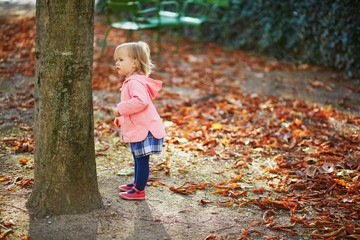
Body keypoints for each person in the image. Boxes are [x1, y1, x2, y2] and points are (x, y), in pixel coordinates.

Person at [113, 41, 166, 200]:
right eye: (116, 60)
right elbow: (134, 106)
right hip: (140, 128)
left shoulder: (135, 82)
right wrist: (121, 118)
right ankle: (137, 183)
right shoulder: (134, 80)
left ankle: (139, 191)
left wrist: (120, 109)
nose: (117, 63)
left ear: (135, 63)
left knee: (142, 161)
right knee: (137, 158)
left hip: (145, 130)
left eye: (121, 60)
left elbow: (140, 102)